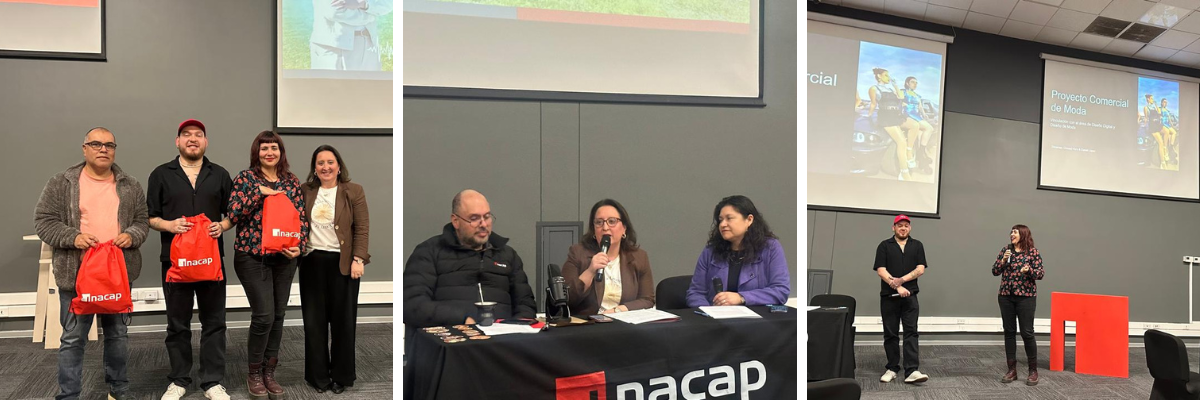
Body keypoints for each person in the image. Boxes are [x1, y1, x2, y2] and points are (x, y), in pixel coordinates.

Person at [34, 127, 149, 400]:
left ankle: (118, 391)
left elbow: (142, 221)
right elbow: (44, 222)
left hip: (117, 274)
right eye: (96, 144)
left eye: (109, 145)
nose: (103, 149)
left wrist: (131, 235)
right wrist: (73, 237)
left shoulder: (130, 185)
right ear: (84, 148)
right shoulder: (61, 183)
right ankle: (69, 395)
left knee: (118, 336)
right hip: (76, 275)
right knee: (73, 339)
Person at [146, 120, 233, 400]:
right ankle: (179, 380)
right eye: (187, 135)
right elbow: (149, 217)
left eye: (198, 135)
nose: (192, 139)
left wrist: (223, 226)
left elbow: (232, 213)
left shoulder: (219, 174)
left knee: (215, 322)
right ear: (177, 141)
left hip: (211, 262)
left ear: (205, 142)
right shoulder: (161, 174)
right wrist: (169, 226)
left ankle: (212, 382)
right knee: (177, 324)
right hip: (175, 264)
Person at [227, 130, 309, 399]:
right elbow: (234, 213)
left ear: (280, 152)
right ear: (257, 152)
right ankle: (253, 373)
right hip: (252, 257)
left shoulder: (291, 180)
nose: (269, 152)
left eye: (274, 147)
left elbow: (301, 218)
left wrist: (301, 245)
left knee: (278, 316)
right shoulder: (246, 178)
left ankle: (268, 372)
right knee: (264, 315)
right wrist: (259, 194)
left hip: (285, 259)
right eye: (264, 149)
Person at [403, 189, 536, 328]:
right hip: (452, 338)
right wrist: (461, 319)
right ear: (455, 221)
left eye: (487, 217)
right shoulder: (429, 252)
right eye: (474, 219)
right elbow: (412, 304)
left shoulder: (508, 255)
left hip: (502, 341)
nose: (483, 224)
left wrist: (517, 328)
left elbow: (525, 304)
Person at [300, 145, 370, 394]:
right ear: (315, 168)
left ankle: (341, 375)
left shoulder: (354, 191)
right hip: (311, 262)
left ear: (339, 166)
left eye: (330, 162)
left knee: (343, 323)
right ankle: (318, 377)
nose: (326, 167)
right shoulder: (305, 190)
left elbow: (361, 228)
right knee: (314, 323)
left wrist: (358, 259)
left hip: (343, 264)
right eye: (320, 163)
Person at [686, 195, 790, 308]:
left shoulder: (770, 248)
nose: (722, 224)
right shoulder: (711, 251)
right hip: (715, 321)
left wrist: (741, 297)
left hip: (757, 321)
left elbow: (780, 291)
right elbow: (695, 293)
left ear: (749, 220)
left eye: (729, 218)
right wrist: (708, 313)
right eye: (720, 220)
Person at [560, 199, 654, 316]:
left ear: (624, 228)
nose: (605, 227)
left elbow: (647, 299)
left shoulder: (639, 257)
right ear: (594, 230)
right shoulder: (578, 253)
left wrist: (618, 310)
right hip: (588, 325)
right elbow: (565, 299)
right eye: (599, 222)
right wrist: (590, 271)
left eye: (612, 221)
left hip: (623, 324)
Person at [874, 214, 929, 384]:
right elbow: (881, 270)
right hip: (889, 297)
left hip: (910, 297)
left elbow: (920, 269)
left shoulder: (917, 245)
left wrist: (902, 281)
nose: (903, 228)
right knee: (890, 334)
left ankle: (911, 370)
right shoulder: (884, 245)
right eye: (900, 225)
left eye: (906, 225)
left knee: (911, 332)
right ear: (894, 228)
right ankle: (892, 368)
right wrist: (897, 286)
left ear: (909, 228)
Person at [992, 224, 1045, 386]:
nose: (1011, 234)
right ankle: (1011, 370)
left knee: (1027, 332)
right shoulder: (1005, 250)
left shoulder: (1033, 252)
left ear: (1023, 234)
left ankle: (1033, 371)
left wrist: (1028, 270)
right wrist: (1002, 260)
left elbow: (1040, 274)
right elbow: (995, 271)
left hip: (1026, 297)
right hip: (1006, 296)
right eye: (1011, 231)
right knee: (1009, 332)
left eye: (1015, 232)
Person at [309, 0, 392, 71]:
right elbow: (334, 12)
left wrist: (363, 3)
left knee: (371, 87)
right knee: (334, 88)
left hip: (369, 43)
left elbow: (388, 4)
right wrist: (371, 16)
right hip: (334, 47)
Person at [867, 67, 913, 180]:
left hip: (895, 116)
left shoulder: (891, 88)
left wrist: (895, 85)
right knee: (901, 142)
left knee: (909, 133)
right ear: (879, 76)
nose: (889, 78)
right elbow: (873, 104)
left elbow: (901, 97)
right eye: (886, 75)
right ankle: (904, 172)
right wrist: (868, 115)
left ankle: (907, 160)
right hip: (886, 117)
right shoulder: (874, 88)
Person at [902, 76, 935, 174]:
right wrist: (905, 105)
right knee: (929, 128)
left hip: (917, 115)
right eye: (912, 82)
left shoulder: (917, 95)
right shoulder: (903, 92)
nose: (915, 84)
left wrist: (924, 114)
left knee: (921, 135)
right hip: (908, 114)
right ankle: (921, 153)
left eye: (916, 83)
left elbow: (920, 107)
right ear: (907, 83)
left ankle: (922, 161)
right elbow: (900, 102)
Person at [1161, 97, 1179, 166]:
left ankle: (1171, 146)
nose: (1166, 103)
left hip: (1168, 125)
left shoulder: (1167, 111)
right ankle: (1167, 155)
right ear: (1162, 102)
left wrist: (1172, 125)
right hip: (1163, 125)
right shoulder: (1160, 109)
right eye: (1164, 102)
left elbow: (1170, 120)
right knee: (1168, 135)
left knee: (1174, 132)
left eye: (1166, 102)